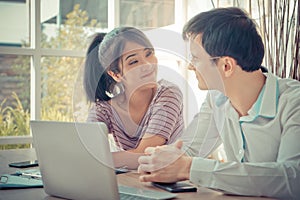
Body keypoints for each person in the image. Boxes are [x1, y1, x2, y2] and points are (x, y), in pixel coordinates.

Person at [137, 7, 300, 199]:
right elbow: (187, 149)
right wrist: (162, 159)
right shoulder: (217, 99)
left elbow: (292, 178)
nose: (190, 66)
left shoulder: (293, 102)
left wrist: (190, 168)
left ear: (226, 66)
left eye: (195, 58)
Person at [83, 27, 184, 168]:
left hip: (173, 184)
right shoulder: (104, 110)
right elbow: (86, 150)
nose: (148, 65)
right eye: (134, 62)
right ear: (116, 74)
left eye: (149, 54)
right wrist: (87, 157)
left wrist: (94, 159)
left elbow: (145, 154)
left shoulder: (168, 94)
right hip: (133, 183)